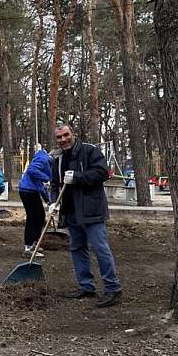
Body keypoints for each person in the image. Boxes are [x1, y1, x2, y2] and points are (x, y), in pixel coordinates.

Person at [50, 124, 122, 307]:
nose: (63, 140)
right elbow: (54, 184)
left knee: (100, 248)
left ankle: (112, 289)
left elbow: (102, 173)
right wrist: (52, 203)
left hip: (92, 209)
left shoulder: (90, 151)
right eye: (59, 137)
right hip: (71, 210)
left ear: (72, 134)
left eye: (66, 135)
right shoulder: (57, 158)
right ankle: (86, 286)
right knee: (77, 248)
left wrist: (77, 177)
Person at [17, 145, 51, 258]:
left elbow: (41, 186)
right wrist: (47, 177)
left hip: (30, 190)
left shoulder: (43, 159)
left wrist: (49, 201)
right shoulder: (44, 159)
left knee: (40, 216)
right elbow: (32, 170)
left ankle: (34, 242)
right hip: (28, 191)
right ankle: (28, 247)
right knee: (33, 218)